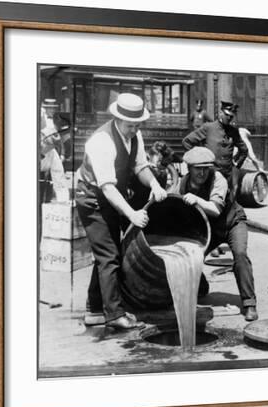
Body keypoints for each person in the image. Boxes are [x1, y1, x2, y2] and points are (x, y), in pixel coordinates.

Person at [75, 93, 167, 329]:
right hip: (92, 197)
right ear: (117, 118)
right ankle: (114, 315)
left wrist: (155, 183)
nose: (133, 130)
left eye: (137, 125)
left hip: (109, 196)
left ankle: (94, 310)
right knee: (109, 256)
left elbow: (140, 166)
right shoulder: (101, 141)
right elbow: (107, 188)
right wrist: (132, 215)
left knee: (108, 253)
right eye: (129, 126)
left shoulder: (135, 135)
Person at [179, 146, 258, 321]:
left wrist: (197, 199)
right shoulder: (183, 183)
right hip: (210, 229)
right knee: (191, 255)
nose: (202, 173)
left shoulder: (218, 178)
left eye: (205, 168)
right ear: (189, 168)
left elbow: (215, 209)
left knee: (240, 255)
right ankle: (201, 287)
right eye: (197, 169)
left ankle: (249, 303)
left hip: (232, 223)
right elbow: (171, 199)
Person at [182, 100, 248, 198]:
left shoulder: (233, 131)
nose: (229, 118)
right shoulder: (209, 128)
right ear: (220, 113)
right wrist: (198, 159)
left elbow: (244, 150)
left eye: (231, 116)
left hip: (227, 176)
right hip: (209, 176)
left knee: (227, 204)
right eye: (227, 115)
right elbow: (187, 141)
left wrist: (236, 165)